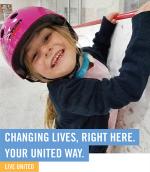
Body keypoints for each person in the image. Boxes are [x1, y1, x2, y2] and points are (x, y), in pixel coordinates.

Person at [1, 2, 150, 153]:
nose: (46, 50)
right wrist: (144, 24)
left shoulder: (83, 57)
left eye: (46, 37)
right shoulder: (69, 94)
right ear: (34, 75)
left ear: (65, 30)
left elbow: (96, 54)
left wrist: (106, 30)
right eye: (34, 55)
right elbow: (127, 88)